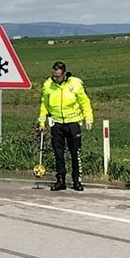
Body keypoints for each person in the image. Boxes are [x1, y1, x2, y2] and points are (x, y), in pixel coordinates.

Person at [39, 61, 94, 191]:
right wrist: (42, 121)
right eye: (54, 75)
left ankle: (77, 181)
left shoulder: (75, 83)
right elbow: (44, 104)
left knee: (75, 153)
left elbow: (84, 102)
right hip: (57, 123)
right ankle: (60, 180)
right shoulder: (48, 85)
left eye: (58, 76)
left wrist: (88, 119)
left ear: (64, 74)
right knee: (58, 153)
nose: (55, 78)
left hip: (73, 122)